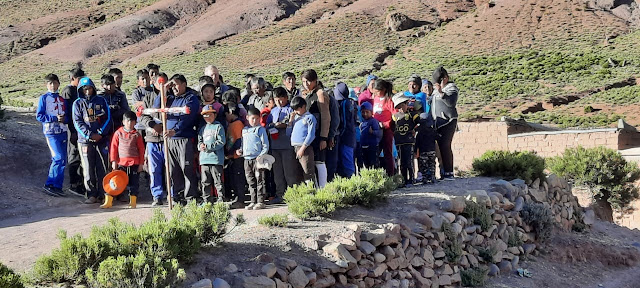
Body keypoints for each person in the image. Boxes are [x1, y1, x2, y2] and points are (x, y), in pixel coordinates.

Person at [155, 74, 201, 205]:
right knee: (173, 170)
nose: (174, 87)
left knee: (187, 168)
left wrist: (175, 130)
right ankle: (177, 195)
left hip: (184, 139)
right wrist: (163, 90)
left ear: (184, 84)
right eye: (172, 85)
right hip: (170, 140)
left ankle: (190, 197)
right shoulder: (170, 99)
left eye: (176, 84)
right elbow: (157, 107)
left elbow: (188, 117)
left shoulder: (190, 98)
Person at [72, 77, 111, 204]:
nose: (87, 91)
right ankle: (91, 194)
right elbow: (77, 122)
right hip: (85, 141)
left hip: (101, 139)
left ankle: (103, 193)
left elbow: (108, 118)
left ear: (93, 88)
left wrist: (100, 133)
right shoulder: (77, 104)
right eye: (84, 89)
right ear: (81, 90)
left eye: (89, 88)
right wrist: (89, 135)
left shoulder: (101, 100)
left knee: (102, 167)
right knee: (88, 168)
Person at [36, 73, 68, 197]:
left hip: (63, 131)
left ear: (59, 84)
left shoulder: (62, 99)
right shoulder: (43, 98)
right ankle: (49, 184)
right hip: (51, 133)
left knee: (63, 160)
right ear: (46, 85)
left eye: (55, 83)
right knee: (58, 157)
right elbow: (39, 116)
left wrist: (64, 119)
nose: (53, 86)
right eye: (50, 83)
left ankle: (58, 186)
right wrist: (54, 118)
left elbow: (68, 117)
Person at [139, 73, 168, 206]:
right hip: (152, 139)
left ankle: (172, 194)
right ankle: (157, 195)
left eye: (165, 82)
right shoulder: (148, 98)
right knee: (155, 169)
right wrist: (153, 126)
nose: (162, 85)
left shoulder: (171, 97)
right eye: (160, 82)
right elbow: (144, 117)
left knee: (170, 168)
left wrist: (163, 127)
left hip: (167, 138)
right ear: (154, 83)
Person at [267, 87, 300, 203]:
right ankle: (280, 195)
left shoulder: (290, 110)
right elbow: (267, 125)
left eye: (282, 99)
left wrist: (284, 125)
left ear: (286, 98)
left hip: (287, 145)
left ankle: (293, 195)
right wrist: (272, 125)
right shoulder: (272, 111)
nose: (280, 102)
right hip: (275, 146)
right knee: (278, 173)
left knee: (289, 172)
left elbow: (294, 125)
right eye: (277, 100)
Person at [106, 111, 144, 209]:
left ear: (135, 122)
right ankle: (109, 201)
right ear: (123, 122)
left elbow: (141, 150)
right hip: (121, 163)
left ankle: (133, 202)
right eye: (127, 121)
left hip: (134, 163)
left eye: (132, 121)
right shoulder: (118, 133)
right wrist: (114, 161)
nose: (129, 124)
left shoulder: (137, 135)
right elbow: (113, 148)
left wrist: (141, 164)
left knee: (134, 183)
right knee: (115, 182)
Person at [301, 69, 331, 188]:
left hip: (319, 133)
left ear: (315, 80)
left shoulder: (320, 94)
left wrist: (324, 137)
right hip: (310, 133)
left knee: (320, 161)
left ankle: (323, 188)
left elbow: (326, 117)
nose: (306, 84)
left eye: (308, 81)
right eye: (304, 81)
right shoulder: (308, 94)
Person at [60, 67, 86, 196]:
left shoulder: (79, 91)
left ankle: (81, 182)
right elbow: (69, 114)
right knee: (74, 154)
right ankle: (74, 184)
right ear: (72, 79)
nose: (81, 81)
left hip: (80, 128)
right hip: (73, 128)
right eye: (79, 79)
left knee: (81, 155)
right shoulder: (68, 91)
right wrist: (73, 131)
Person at [238, 108, 270, 210]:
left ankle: (261, 201)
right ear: (247, 118)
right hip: (247, 159)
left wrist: (261, 155)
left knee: (260, 179)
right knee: (250, 181)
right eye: (252, 118)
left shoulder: (260, 130)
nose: (254, 121)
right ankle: (253, 201)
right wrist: (241, 151)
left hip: (258, 159)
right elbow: (243, 144)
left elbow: (265, 145)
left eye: (257, 118)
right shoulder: (244, 130)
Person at [431, 66, 459, 181]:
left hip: (448, 121)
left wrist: (441, 92)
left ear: (445, 79)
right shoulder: (435, 91)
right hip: (438, 122)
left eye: (439, 82)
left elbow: (451, 103)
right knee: (440, 148)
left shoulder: (451, 88)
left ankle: (449, 172)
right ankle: (443, 172)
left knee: (445, 146)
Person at [198, 104, 226, 204]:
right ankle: (207, 201)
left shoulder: (218, 127)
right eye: (205, 115)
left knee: (218, 181)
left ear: (214, 115)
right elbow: (199, 141)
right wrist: (200, 146)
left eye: (209, 115)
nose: (207, 117)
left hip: (215, 159)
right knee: (205, 182)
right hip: (204, 159)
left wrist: (209, 147)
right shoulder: (203, 129)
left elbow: (221, 142)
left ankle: (221, 200)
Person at [288, 96, 317, 184]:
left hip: (304, 148)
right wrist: (290, 121)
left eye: (297, 109)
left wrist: (303, 148)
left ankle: (311, 192)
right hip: (294, 146)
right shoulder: (296, 118)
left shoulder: (310, 117)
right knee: (297, 173)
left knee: (308, 172)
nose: (296, 112)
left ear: (303, 106)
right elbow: (288, 133)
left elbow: (311, 135)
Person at [392, 93, 418, 187]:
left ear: (407, 104)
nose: (402, 107)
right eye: (400, 106)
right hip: (398, 142)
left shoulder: (412, 115)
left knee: (409, 162)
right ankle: (403, 180)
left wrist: (415, 130)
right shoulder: (395, 116)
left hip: (409, 141)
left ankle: (411, 179)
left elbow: (420, 123)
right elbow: (392, 127)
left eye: (404, 105)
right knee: (401, 162)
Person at [224, 103, 247, 208]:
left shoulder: (237, 124)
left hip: (237, 156)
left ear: (230, 112)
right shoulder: (232, 124)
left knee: (238, 178)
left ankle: (241, 200)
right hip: (233, 156)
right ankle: (237, 197)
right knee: (234, 178)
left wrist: (230, 153)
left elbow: (238, 140)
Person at [372, 79, 396, 176]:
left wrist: (386, 124)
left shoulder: (389, 100)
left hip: (387, 129)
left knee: (388, 153)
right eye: (375, 91)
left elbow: (394, 115)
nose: (377, 93)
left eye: (378, 91)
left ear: (384, 90)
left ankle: (391, 174)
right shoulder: (376, 99)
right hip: (376, 129)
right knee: (376, 152)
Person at [333, 82, 356, 178]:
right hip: (351, 135)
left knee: (347, 159)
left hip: (345, 136)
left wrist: (341, 133)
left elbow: (345, 121)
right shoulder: (350, 102)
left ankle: (351, 181)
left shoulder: (343, 103)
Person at [359, 102, 382, 169]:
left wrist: (373, 132)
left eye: (367, 112)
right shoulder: (362, 122)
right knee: (366, 164)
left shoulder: (373, 121)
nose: (365, 114)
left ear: (371, 112)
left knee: (374, 164)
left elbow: (379, 133)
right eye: (363, 112)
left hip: (372, 147)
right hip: (364, 147)